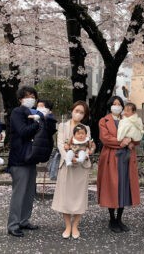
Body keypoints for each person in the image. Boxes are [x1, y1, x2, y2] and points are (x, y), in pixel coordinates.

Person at [97, 96, 140, 233]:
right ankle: (112, 218)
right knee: (112, 187)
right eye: (114, 104)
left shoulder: (128, 119)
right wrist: (121, 142)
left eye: (119, 104)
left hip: (126, 158)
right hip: (111, 157)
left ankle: (120, 218)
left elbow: (137, 134)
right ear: (110, 106)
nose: (117, 106)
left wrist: (133, 142)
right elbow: (105, 138)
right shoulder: (104, 121)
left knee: (124, 187)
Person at [51, 101, 92, 240]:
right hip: (67, 164)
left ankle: (76, 225)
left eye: (82, 112)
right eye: (77, 110)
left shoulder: (86, 127)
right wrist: (69, 157)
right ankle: (68, 225)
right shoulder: (62, 126)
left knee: (80, 197)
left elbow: (88, 144)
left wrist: (85, 153)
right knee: (66, 197)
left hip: (81, 167)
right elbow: (60, 144)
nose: (79, 114)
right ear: (72, 110)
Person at [7, 86, 42, 238]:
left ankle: (24, 220)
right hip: (19, 159)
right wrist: (38, 123)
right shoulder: (17, 112)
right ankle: (13, 224)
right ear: (20, 99)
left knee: (29, 192)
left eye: (33, 96)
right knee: (19, 193)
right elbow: (22, 131)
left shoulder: (32, 113)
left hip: (30, 158)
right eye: (27, 96)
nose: (31, 98)